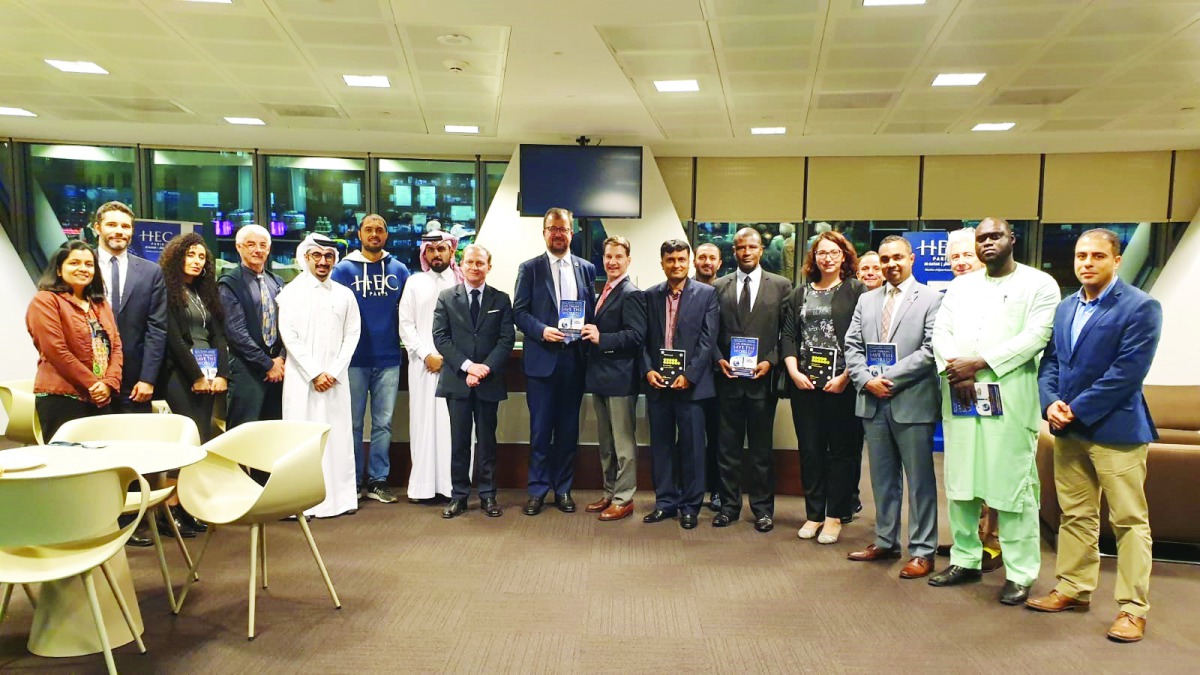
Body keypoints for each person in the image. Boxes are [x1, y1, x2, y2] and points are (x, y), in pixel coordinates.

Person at [1028, 229, 1162, 643]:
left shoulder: (1141, 307)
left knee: (1129, 521)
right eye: (1080, 255)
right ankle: (1072, 587)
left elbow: (1127, 373)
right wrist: (1050, 402)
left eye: (1097, 256)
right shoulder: (1067, 307)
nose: (1086, 262)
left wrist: (1076, 408)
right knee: (1076, 515)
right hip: (1068, 430)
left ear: (1116, 260)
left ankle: (1132, 608)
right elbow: (1051, 361)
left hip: (1116, 430)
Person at [929, 218, 1059, 606]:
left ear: (1011, 240)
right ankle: (966, 559)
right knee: (961, 481)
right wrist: (957, 369)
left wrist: (980, 362)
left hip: (1011, 397)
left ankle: (1020, 573)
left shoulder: (1039, 284)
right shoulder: (961, 286)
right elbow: (941, 332)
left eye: (994, 236)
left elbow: (1037, 336)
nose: (987, 243)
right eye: (981, 238)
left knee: (1013, 486)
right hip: (961, 394)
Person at [844, 236, 943, 579]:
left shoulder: (932, 299)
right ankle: (886, 541)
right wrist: (864, 379)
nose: (890, 265)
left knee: (919, 481)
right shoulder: (867, 299)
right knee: (883, 480)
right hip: (872, 400)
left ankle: (922, 550)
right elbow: (852, 344)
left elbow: (931, 350)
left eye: (897, 258)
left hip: (911, 400)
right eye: (884, 259)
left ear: (911, 259)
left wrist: (887, 377)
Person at [781, 230, 868, 544]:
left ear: (844, 255)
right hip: (805, 386)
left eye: (833, 252)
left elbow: (863, 338)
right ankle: (814, 514)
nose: (827, 258)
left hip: (842, 386)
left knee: (842, 453)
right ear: (813, 258)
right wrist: (793, 372)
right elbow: (789, 336)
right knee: (811, 451)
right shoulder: (799, 293)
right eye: (821, 253)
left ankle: (834, 516)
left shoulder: (857, 290)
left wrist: (844, 376)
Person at [513, 207, 596, 516]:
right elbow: (519, 312)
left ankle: (563, 489)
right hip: (541, 362)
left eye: (563, 229)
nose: (558, 234)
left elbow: (591, 309)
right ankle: (537, 490)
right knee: (540, 429)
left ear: (572, 233)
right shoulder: (530, 268)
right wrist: (542, 330)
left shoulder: (586, 268)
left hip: (574, 360)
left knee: (567, 430)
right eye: (552, 229)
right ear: (544, 232)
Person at [711, 228, 793, 532]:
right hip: (727, 379)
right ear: (734, 252)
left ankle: (762, 509)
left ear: (761, 251)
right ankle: (729, 507)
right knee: (727, 448)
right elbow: (710, 332)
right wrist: (718, 358)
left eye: (752, 247)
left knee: (760, 450)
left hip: (762, 381)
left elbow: (787, 332)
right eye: (741, 247)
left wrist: (770, 361)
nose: (746, 252)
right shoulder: (718, 287)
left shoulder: (782, 286)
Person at [278, 233, 362, 519]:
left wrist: (334, 371)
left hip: (335, 382)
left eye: (328, 257)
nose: (323, 262)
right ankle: (302, 503)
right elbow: (289, 337)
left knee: (337, 437)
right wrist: (315, 373)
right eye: (317, 256)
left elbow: (352, 335)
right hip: (303, 381)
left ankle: (339, 500)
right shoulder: (290, 293)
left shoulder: (344, 294)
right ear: (306, 258)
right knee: (302, 440)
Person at [934, 227, 1001, 570]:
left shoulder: (1000, 290)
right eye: (954, 257)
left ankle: (992, 540)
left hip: (992, 388)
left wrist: (974, 368)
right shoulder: (954, 292)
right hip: (958, 387)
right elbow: (941, 336)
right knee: (964, 467)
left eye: (966, 255)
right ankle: (969, 538)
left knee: (991, 466)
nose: (960, 262)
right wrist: (954, 368)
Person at [331, 214, 410, 504]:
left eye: (380, 230)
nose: (374, 234)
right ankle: (351, 480)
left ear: (386, 235)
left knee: (383, 423)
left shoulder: (400, 270)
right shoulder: (343, 270)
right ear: (359, 234)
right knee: (351, 423)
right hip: (352, 360)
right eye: (369, 230)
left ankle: (378, 479)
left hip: (389, 357)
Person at [641, 240, 719, 529]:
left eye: (681, 259)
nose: (676, 265)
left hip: (692, 387)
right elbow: (644, 339)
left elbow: (708, 340)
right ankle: (665, 502)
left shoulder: (707, 294)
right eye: (670, 260)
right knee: (661, 446)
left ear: (689, 262)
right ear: (662, 263)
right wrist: (648, 370)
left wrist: (690, 375)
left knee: (692, 447)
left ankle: (690, 506)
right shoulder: (649, 296)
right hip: (658, 385)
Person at [433, 245, 515, 518]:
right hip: (458, 381)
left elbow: (506, 340)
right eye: (469, 262)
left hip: (488, 382)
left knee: (487, 441)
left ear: (489, 267)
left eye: (480, 263)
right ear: (461, 265)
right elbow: (441, 337)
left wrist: (484, 369)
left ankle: (488, 495)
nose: (474, 267)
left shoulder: (501, 300)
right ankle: (458, 496)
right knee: (459, 442)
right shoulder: (446, 297)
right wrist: (468, 367)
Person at [25, 241, 122, 440]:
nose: (83, 269)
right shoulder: (45, 300)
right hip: (62, 395)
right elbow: (55, 350)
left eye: (89, 264)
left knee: (104, 460)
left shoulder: (100, 303)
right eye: (74, 263)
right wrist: (94, 384)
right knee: (68, 462)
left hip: (101, 395)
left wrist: (109, 383)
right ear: (59, 269)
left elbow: (116, 346)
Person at [581, 237, 646, 521]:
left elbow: (636, 336)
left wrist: (601, 338)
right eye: (608, 256)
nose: (612, 262)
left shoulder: (631, 293)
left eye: (619, 256)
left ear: (628, 259)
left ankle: (624, 498)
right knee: (606, 444)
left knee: (623, 445)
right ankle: (609, 492)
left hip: (620, 379)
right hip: (601, 378)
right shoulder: (605, 289)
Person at [398, 230, 464, 504]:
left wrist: (454, 358)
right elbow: (406, 325)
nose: (437, 254)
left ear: (451, 252)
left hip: (456, 366)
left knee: (453, 426)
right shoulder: (415, 282)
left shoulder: (462, 282)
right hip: (424, 367)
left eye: (442, 249)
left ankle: (453, 487)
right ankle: (424, 487)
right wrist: (426, 354)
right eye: (431, 250)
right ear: (424, 254)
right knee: (424, 424)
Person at [92, 201, 167, 414]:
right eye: (112, 225)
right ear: (97, 228)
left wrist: (148, 378)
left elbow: (157, 329)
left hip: (135, 382)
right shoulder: (82, 266)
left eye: (125, 226)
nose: (119, 231)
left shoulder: (151, 272)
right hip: (91, 378)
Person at [157, 233, 228, 443]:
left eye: (201, 257)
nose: (197, 261)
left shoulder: (204, 292)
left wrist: (222, 375)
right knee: (190, 432)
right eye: (190, 255)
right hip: (180, 372)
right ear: (177, 257)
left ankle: (196, 476)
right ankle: (181, 475)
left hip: (209, 371)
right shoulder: (165, 289)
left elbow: (218, 336)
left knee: (204, 433)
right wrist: (197, 376)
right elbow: (174, 339)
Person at [220, 225, 286, 430]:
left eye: (263, 245)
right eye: (251, 244)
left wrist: (281, 359)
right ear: (239, 247)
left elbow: (288, 325)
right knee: (243, 433)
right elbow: (235, 332)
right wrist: (267, 364)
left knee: (272, 433)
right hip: (246, 369)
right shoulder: (229, 283)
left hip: (278, 370)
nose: (257, 249)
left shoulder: (277, 281)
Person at [693, 242, 723, 511]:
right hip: (688, 377)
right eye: (701, 257)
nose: (706, 262)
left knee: (716, 437)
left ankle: (716, 490)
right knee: (688, 439)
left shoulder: (725, 290)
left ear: (719, 263)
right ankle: (688, 489)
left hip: (720, 378)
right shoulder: (683, 290)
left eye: (711, 258)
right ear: (694, 261)